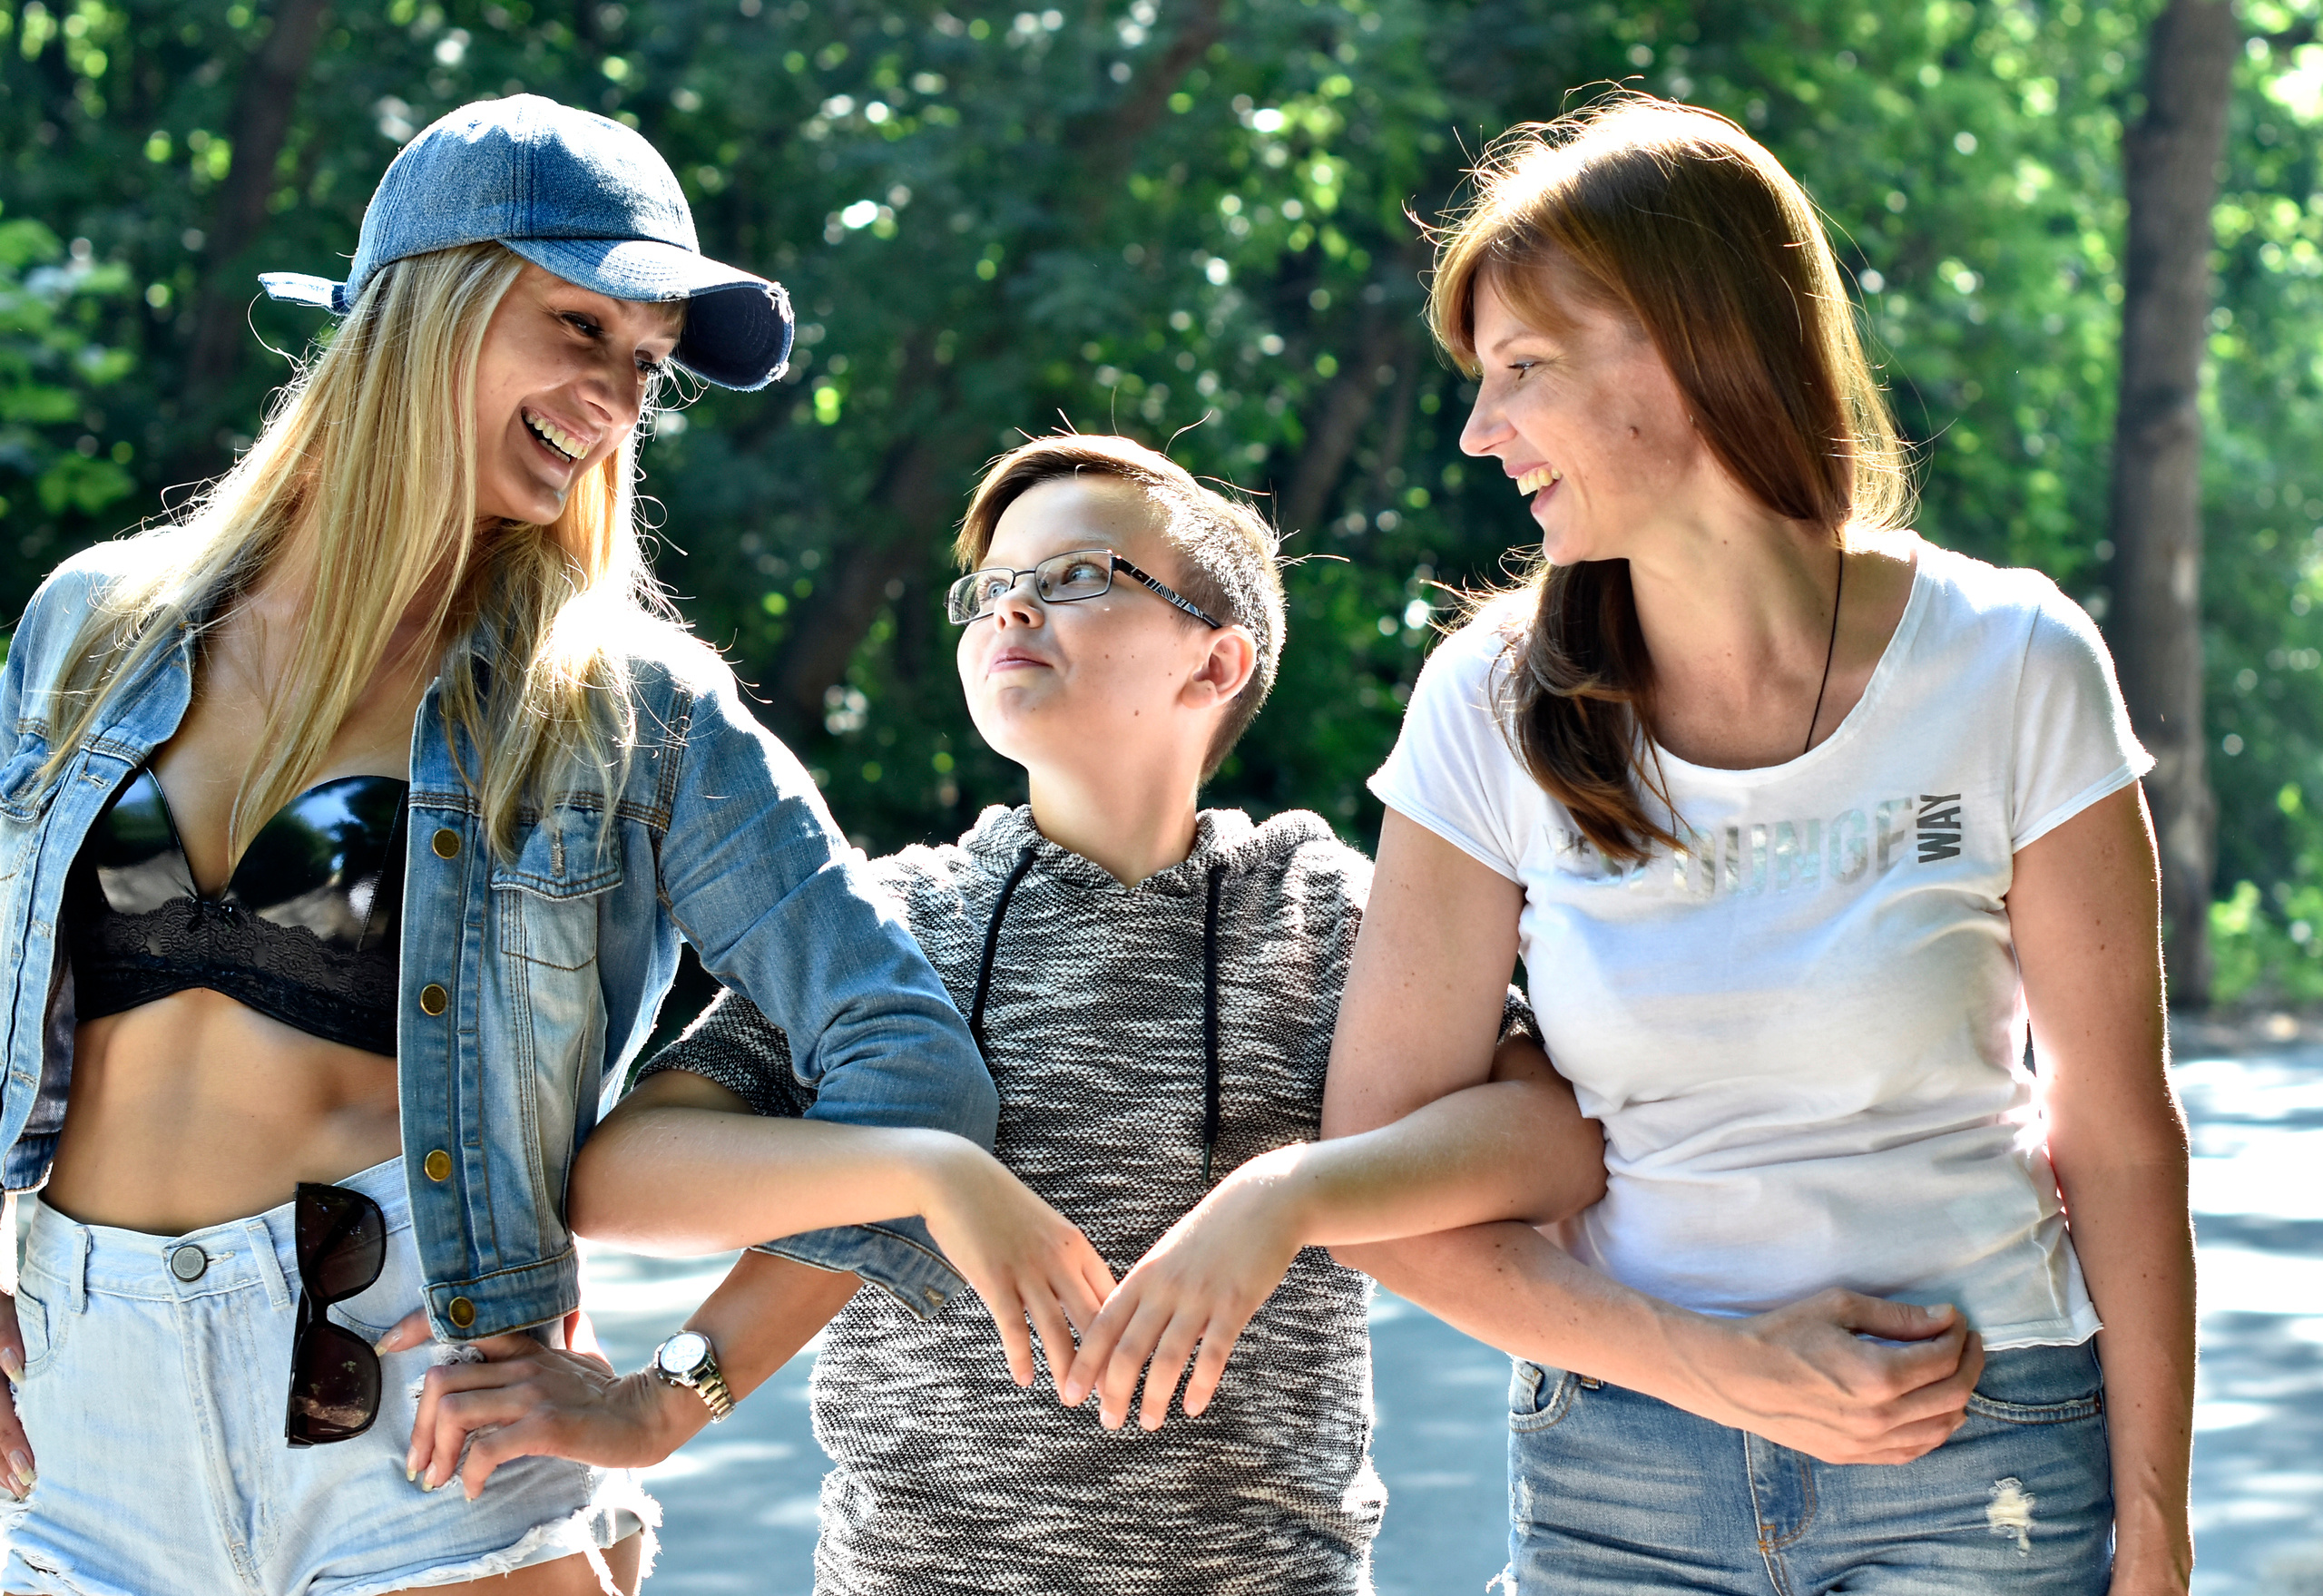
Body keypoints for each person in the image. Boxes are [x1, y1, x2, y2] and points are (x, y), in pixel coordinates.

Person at [1069, 98, 2194, 1594]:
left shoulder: (2012, 662)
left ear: (1693, 341)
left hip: (1979, 1454)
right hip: (1625, 1479)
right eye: (1480, 381)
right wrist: (1719, 1369)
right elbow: (1386, 1196)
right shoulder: (1487, 701)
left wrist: (2159, 1534)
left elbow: (2115, 1138)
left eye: (1523, 371)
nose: (1481, 432)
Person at [0, 96, 1104, 1596]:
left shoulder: (621, 705)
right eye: (578, 325)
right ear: (417, 309)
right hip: (80, 1429)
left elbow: (910, 1064)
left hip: (418, 1418)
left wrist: (667, 1402)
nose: (614, 397)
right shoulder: (96, 623)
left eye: (644, 365)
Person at [403, 432, 1606, 1594]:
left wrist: (1285, 1195)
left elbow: (1554, 1144)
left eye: (1077, 577)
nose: (1013, 609)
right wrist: (925, 1174)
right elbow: (622, 1174)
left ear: (1216, 663)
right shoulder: (891, 919)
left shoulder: (1331, 914)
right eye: (992, 589)